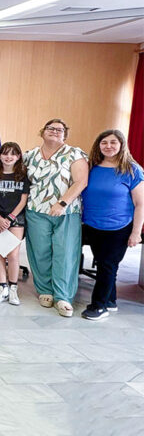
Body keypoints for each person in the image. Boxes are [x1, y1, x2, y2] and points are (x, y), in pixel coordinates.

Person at [24, 118, 88, 317]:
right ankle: (45, 290)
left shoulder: (74, 154)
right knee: (40, 251)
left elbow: (80, 182)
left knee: (65, 253)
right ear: (42, 132)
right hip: (36, 210)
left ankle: (63, 296)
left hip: (66, 212)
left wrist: (62, 203)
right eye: (50, 128)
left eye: (59, 130)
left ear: (65, 135)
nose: (54, 131)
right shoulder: (30, 155)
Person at [80, 130, 143, 320]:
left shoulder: (132, 170)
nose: (108, 146)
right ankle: (110, 300)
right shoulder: (92, 167)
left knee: (107, 266)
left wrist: (136, 232)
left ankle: (98, 307)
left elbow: (141, 204)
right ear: (98, 145)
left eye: (113, 142)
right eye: (104, 142)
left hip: (118, 228)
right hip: (92, 225)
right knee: (105, 265)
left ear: (122, 145)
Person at [0, 142, 30, 306]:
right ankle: (2, 288)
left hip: (15, 219)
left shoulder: (22, 176)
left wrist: (9, 218)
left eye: (12, 154)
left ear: (18, 157)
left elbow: (23, 199)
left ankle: (13, 289)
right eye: (5, 153)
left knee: (13, 254)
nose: (8, 157)